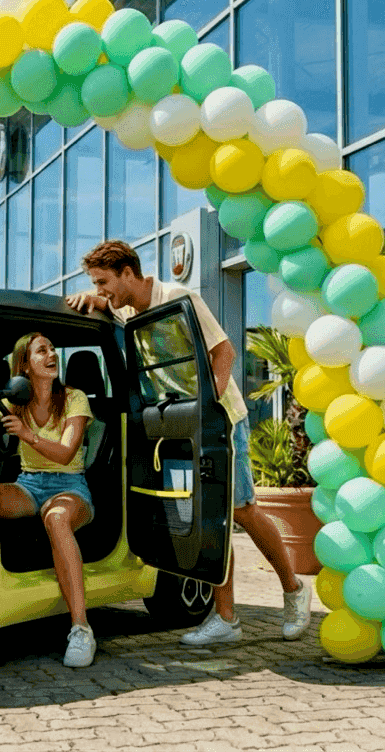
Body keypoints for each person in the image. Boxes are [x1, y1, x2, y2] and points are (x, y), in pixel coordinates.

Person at [66, 239, 312, 646]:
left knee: (241, 510)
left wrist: (208, 410)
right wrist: (91, 299)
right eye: (96, 282)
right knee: (206, 516)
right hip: (181, 424)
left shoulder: (181, 298)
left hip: (220, 419)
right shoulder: (126, 310)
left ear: (129, 272)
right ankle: (227, 619)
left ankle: (293, 589)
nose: (100, 289)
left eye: (103, 281)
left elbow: (225, 354)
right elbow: (105, 304)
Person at [0, 332, 97, 667]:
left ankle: (81, 629)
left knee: (56, 518)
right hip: (29, 484)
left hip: (70, 485)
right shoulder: (14, 403)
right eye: (42, 351)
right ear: (24, 365)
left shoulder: (75, 399)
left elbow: (67, 453)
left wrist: (27, 434)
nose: (52, 354)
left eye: (53, 348)